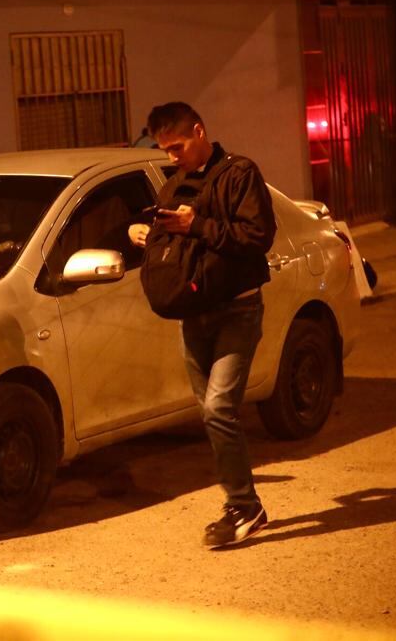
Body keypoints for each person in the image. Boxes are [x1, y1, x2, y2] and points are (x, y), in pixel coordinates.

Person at [128, 102, 277, 549]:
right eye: (164, 149)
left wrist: (198, 224)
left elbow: (256, 238)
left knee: (218, 409)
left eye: (178, 146)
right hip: (193, 314)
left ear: (199, 131)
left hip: (238, 309)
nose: (172, 156)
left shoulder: (239, 174)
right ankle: (245, 505)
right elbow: (175, 245)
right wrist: (143, 233)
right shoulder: (173, 185)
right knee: (213, 415)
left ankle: (243, 506)